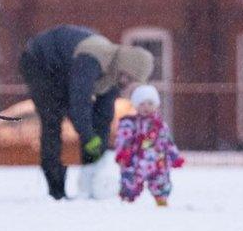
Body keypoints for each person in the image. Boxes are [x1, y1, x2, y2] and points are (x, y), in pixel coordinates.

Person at [19, 25, 154, 200]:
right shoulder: (91, 59)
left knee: (90, 125)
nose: (127, 85)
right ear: (125, 68)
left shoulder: (114, 75)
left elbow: (104, 116)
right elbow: (79, 104)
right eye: (129, 79)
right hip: (40, 61)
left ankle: (91, 183)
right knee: (52, 118)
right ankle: (56, 188)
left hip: (65, 68)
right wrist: (89, 136)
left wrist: (99, 148)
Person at [114, 84, 184, 207]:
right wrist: (123, 154)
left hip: (157, 161)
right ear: (136, 105)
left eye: (150, 103)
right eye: (142, 104)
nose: (146, 107)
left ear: (156, 105)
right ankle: (126, 201)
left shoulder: (160, 125)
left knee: (161, 181)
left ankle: (161, 199)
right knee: (130, 181)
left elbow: (167, 142)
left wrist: (175, 156)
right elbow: (124, 139)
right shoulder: (130, 124)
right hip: (136, 161)